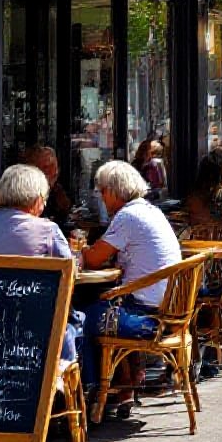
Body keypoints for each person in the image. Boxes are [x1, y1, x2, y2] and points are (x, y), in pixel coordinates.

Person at [80, 161, 182, 393]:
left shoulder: (127, 216)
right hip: (170, 310)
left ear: (114, 191)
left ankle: (94, 388)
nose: (102, 198)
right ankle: (126, 383)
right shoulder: (149, 210)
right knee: (108, 302)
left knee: (81, 316)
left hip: (146, 315)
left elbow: (94, 259)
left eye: (103, 191)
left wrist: (80, 248)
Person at [0, 164, 81, 360]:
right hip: (33, 320)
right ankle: (69, 381)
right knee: (77, 322)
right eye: (44, 199)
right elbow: (70, 273)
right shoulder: (47, 229)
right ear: (37, 199)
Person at [23, 145, 73, 227]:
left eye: (55, 166)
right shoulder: (25, 194)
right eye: (47, 167)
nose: (54, 171)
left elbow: (64, 212)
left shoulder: (57, 190)